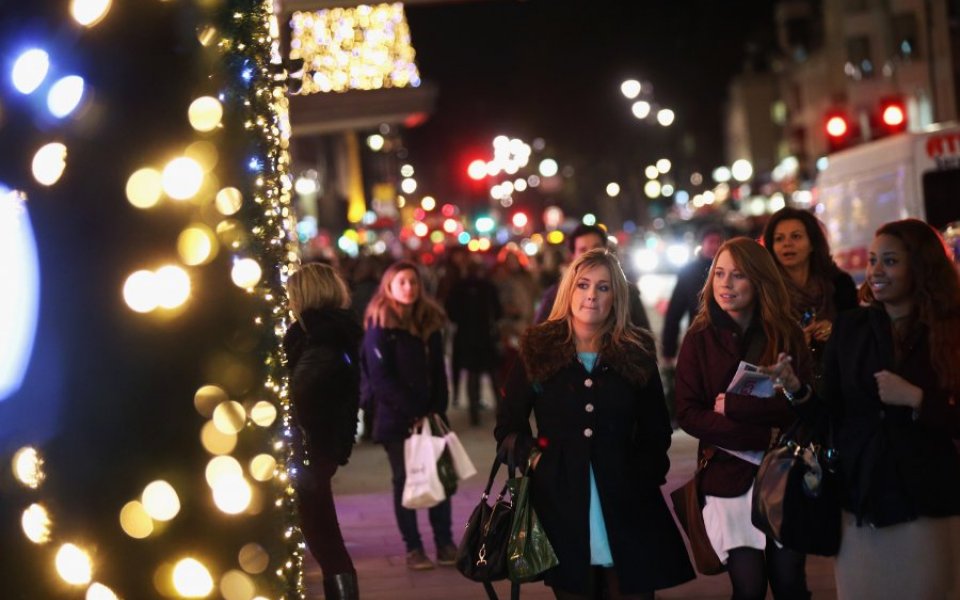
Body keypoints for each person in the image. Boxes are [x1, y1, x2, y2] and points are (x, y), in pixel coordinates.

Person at [496, 248, 695, 599]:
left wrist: (644, 473)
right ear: (569, 291)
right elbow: (509, 423)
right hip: (561, 502)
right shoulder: (539, 348)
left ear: (615, 297)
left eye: (603, 288)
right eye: (583, 285)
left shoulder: (635, 350)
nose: (591, 295)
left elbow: (656, 428)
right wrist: (538, 460)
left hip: (628, 500)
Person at [822, 219, 960, 598]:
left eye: (890, 260)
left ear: (920, 266)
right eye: (871, 260)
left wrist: (917, 400)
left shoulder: (949, 331)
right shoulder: (850, 328)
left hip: (927, 498)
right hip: (861, 496)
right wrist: (793, 389)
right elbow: (827, 409)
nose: (875, 271)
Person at [674, 238, 814, 600]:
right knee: (748, 587)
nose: (725, 284)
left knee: (789, 582)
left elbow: (802, 405)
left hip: (783, 474)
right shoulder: (699, 339)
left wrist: (736, 407)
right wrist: (758, 436)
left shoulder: (787, 335)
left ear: (759, 280)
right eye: (719, 274)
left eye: (737, 275)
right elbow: (688, 413)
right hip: (727, 477)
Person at [359, 259, 457, 571]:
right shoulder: (380, 325)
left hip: (430, 416)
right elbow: (380, 378)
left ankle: (444, 541)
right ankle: (413, 546)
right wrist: (413, 412)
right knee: (406, 481)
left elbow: (439, 371)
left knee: (439, 478)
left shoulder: (430, 321)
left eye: (413, 282)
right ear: (389, 285)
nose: (409, 288)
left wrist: (437, 408)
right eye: (402, 282)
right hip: (396, 419)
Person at [283, 262, 362, 600]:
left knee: (324, 539)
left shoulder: (318, 338)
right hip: (323, 446)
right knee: (324, 536)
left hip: (312, 449)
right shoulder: (331, 332)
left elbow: (300, 392)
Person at [761, 208, 858, 388]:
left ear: (812, 243)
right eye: (779, 239)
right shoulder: (766, 291)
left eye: (796, 237)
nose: (787, 244)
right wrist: (794, 342)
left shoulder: (840, 284)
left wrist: (834, 330)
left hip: (838, 382)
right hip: (785, 387)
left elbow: (858, 335)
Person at [534, 223, 651, 331]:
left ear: (606, 250)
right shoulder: (555, 295)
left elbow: (644, 338)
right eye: (583, 250)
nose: (591, 254)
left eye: (596, 247)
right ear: (573, 256)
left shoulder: (628, 293)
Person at [445, 258, 503, 426]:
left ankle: (474, 413)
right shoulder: (488, 286)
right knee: (493, 374)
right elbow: (498, 311)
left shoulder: (458, 287)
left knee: (472, 374)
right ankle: (501, 409)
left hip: (466, 336)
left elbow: (451, 312)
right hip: (486, 335)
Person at [660, 224, 724, 364]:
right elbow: (674, 313)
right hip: (699, 341)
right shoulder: (689, 272)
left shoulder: (730, 269)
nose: (714, 246)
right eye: (710, 241)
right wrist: (669, 350)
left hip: (726, 340)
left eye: (718, 242)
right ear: (702, 244)